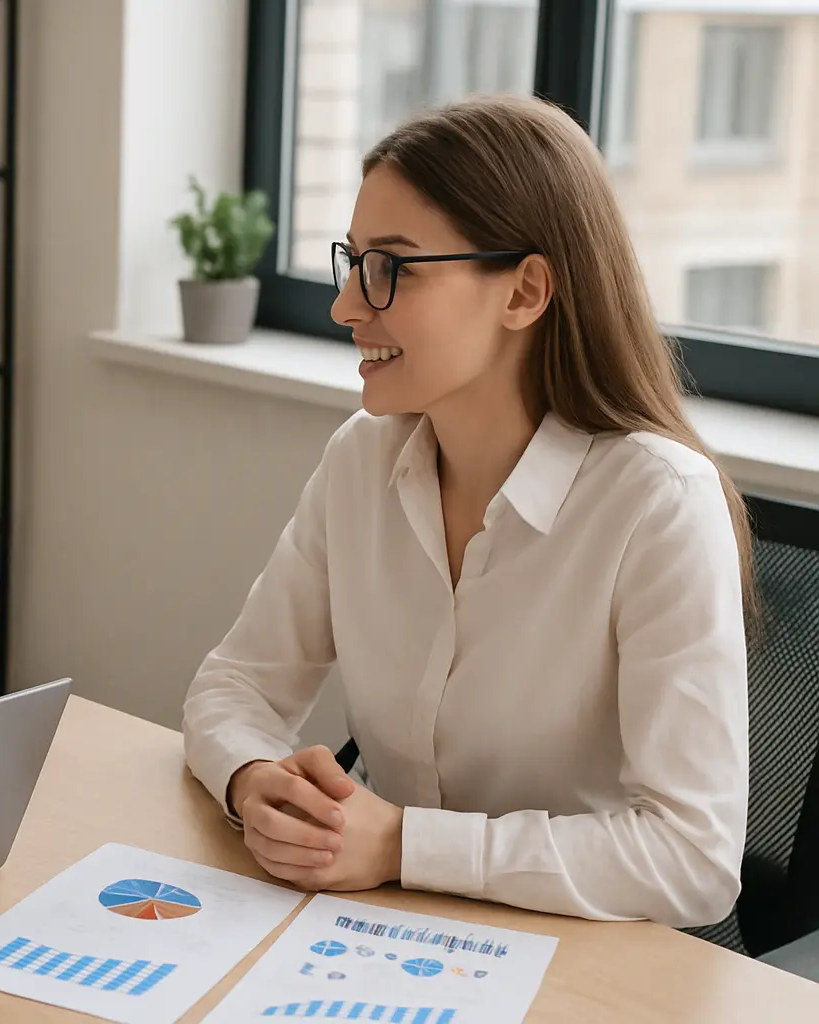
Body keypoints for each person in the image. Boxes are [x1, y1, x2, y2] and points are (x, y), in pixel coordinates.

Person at [182, 95, 750, 929]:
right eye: (352, 261)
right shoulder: (360, 461)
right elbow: (235, 686)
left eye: (391, 267)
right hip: (389, 936)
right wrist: (252, 778)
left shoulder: (659, 505)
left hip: (592, 968)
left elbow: (692, 860)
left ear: (524, 291)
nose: (345, 305)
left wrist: (405, 845)